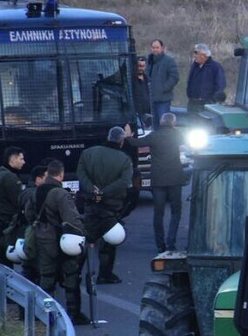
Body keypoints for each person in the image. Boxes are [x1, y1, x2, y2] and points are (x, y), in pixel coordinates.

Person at [27, 160, 88, 325]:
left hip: (41, 238)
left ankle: (44, 313)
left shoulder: (35, 192)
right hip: (60, 240)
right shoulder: (60, 194)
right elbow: (72, 219)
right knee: (71, 277)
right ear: (61, 174)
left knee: (46, 278)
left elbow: (28, 214)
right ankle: (73, 314)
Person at [78, 126, 132, 284]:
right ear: (121, 141)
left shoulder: (88, 153)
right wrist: (104, 192)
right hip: (111, 206)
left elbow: (81, 174)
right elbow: (123, 183)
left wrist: (92, 190)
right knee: (110, 241)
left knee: (85, 239)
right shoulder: (124, 159)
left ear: (108, 137)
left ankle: (75, 273)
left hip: (91, 204)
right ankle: (105, 273)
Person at [126, 112, 187, 253]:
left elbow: (136, 143)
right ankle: (171, 242)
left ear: (161, 123)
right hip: (175, 178)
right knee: (176, 212)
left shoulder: (154, 136)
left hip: (159, 180)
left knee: (158, 213)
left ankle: (160, 245)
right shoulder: (178, 135)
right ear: (173, 123)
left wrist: (128, 135)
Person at [0, 146, 26, 265]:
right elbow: (18, 201)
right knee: (6, 256)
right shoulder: (11, 177)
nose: (23, 162)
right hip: (7, 223)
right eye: (21, 159)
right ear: (12, 160)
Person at [18, 164, 47, 284]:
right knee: (32, 269)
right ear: (38, 179)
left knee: (29, 268)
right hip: (33, 235)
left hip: (28, 234)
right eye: (46, 177)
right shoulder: (33, 194)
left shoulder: (27, 192)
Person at [146, 39, 179, 126]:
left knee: (165, 125)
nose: (155, 49)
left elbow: (174, 77)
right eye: (153, 47)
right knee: (154, 125)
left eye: (157, 47)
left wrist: (163, 88)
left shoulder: (169, 61)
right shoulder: (148, 61)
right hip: (151, 99)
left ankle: (166, 139)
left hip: (163, 99)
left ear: (162, 48)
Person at [186, 43, 226, 114]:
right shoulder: (194, 66)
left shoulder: (215, 67)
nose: (194, 56)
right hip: (192, 102)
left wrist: (212, 100)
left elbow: (220, 85)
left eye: (196, 53)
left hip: (207, 104)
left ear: (203, 55)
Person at [132, 55, 152, 130]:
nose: (141, 68)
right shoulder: (132, 80)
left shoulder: (148, 80)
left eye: (143, 66)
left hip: (148, 113)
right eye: (139, 65)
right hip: (137, 115)